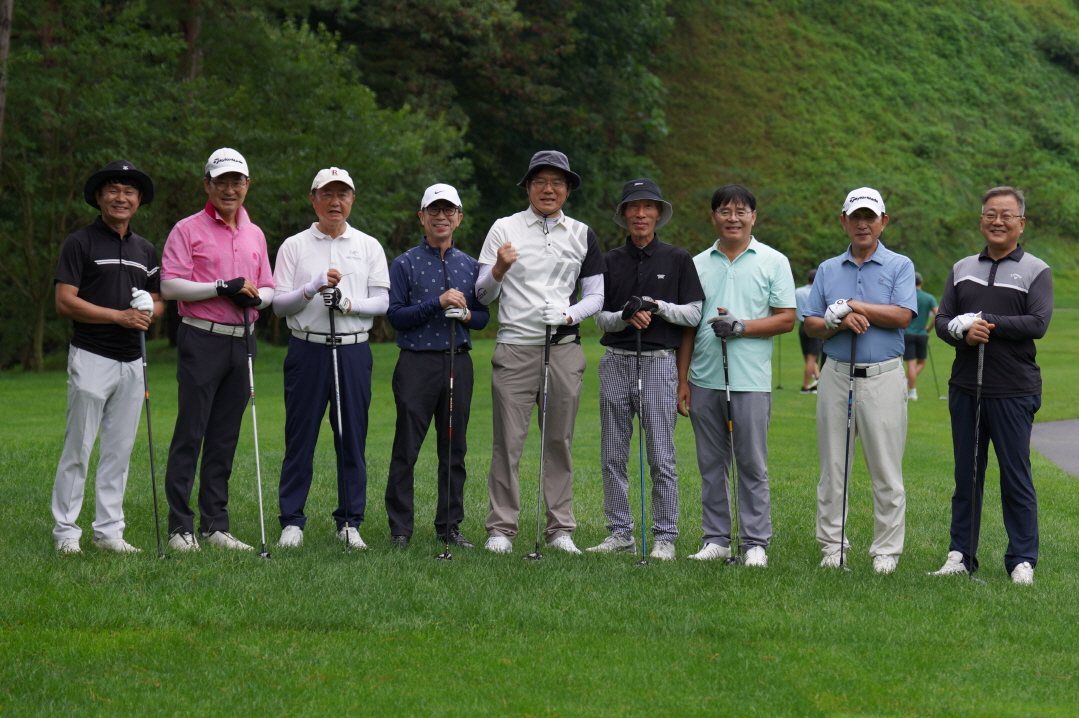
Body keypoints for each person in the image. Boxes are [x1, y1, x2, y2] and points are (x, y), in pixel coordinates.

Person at [474, 150, 605, 554]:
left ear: (568, 189)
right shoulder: (504, 228)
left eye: (557, 182)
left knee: (559, 442)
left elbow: (596, 296)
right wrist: (498, 269)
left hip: (563, 349)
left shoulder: (582, 233)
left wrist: (569, 314)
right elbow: (481, 294)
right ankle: (501, 529)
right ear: (528, 186)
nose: (549, 189)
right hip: (515, 348)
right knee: (508, 442)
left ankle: (560, 529)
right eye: (541, 181)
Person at [930, 186, 1052, 586]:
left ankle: (1022, 559)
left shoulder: (1036, 270)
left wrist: (985, 322)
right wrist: (963, 333)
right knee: (967, 475)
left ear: (1021, 223)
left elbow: (1038, 323)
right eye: (990, 214)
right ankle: (961, 554)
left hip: (1014, 389)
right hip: (966, 387)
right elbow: (943, 320)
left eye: (1006, 215)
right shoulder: (962, 267)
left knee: (1016, 476)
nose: (997, 221)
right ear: (982, 219)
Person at [159, 148, 275, 552]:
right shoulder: (187, 229)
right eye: (221, 182)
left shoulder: (255, 233)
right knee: (191, 433)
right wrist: (221, 288)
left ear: (247, 185)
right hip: (201, 338)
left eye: (236, 182)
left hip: (242, 339)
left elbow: (268, 288)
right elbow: (170, 285)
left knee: (225, 437)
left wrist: (256, 299)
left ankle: (215, 525)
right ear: (207, 185)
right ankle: (180, 527)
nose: (229, 189)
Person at [271, 167, 390, 549]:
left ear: (352, 199)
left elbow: (382, 302)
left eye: (342, 194)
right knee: (300, 437)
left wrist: (348, 303)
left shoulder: (368, 246)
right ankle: (292, 522)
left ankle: (350, 522)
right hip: (307, 348)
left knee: (351, 437)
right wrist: (311, 287)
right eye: (327, 194)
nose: (335, 202)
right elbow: (278, 305)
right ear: (314, 199)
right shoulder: (294, 246)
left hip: (353, 349)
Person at [677, 184, 795, 567]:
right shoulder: (696, 263)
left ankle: (755, 542)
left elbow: (786, 318)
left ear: (753, 217)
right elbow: (689, 326)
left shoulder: (773, 261)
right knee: (711, 465)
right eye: (725, 211)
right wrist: (682, 380)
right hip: (704, 378)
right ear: (713, 217)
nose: (733, 218)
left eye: (741, 211)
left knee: (752, 464)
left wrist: (742, 326)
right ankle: (716, 540)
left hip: (750, 380)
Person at [587, 179, 704, 560]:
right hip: (616, 361)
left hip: (658, 363)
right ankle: (620, 532)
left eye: (648, 207)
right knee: (612, 455)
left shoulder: (678, 259)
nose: (640, 214)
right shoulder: (609, 261)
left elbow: (694, 313)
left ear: (658, 214)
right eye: (633, 207)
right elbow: (599, 318)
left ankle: (665, 536)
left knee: (661, 456)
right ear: (624, 215)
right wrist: (624, 316)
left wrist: (657, 306)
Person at [51, 160, 164, 554]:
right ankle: (66, 532)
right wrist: (119, 316)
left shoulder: (145, 249)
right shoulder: (79, 242)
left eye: (129, 191)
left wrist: (149, 307)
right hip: (91, 355)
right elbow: (65, 301)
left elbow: (158, 301)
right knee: (78, 447)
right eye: (113, 190)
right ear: (99, 197)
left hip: (133, 361)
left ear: (138, 200)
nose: (121, 197)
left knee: (119, 450)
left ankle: (109, 532)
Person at [804, 187, 916, 574]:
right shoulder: (828, 269)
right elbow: (812, 324)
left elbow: (903, 315)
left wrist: (851, 305)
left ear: (883, 222)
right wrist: (837, 320)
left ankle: (886, 550)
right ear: (843, 222)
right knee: (833, 469)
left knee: (886, 470)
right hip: (835, 374)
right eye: (856, 217)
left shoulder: (900, 265)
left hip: (883, 376)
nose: (863, 224)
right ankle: (832, 547)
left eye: (870, 217)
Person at [384, 183, 489, 548]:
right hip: (416, 363)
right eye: (434, 210)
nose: (441, 217)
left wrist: (466, 314)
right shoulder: (405, 263)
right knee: (407, 448)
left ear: (459, 218)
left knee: (454, 449)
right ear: (422, 217)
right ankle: (400, 529)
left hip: (458, 362)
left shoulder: (472, 266)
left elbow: (483, 317)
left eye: (449, 211)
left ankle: (449, 526)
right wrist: (437, 303)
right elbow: (396, 316)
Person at [903, 272, 938, 400]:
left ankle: (912, 390)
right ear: (921, 282)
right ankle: (910, 387)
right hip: (922, 334)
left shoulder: (906, 297)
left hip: (907, 333)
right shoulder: (929, 297)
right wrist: (929, 328)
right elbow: (938, 314)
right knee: (922, 362)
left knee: (910, 363)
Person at [795, 269, 824, 393]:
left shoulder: (798, 291)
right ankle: (805, 386)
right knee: (812, 358)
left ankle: (817, 377)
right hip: (814, 324)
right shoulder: (819, 292)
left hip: (802, 325)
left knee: (807, 356)